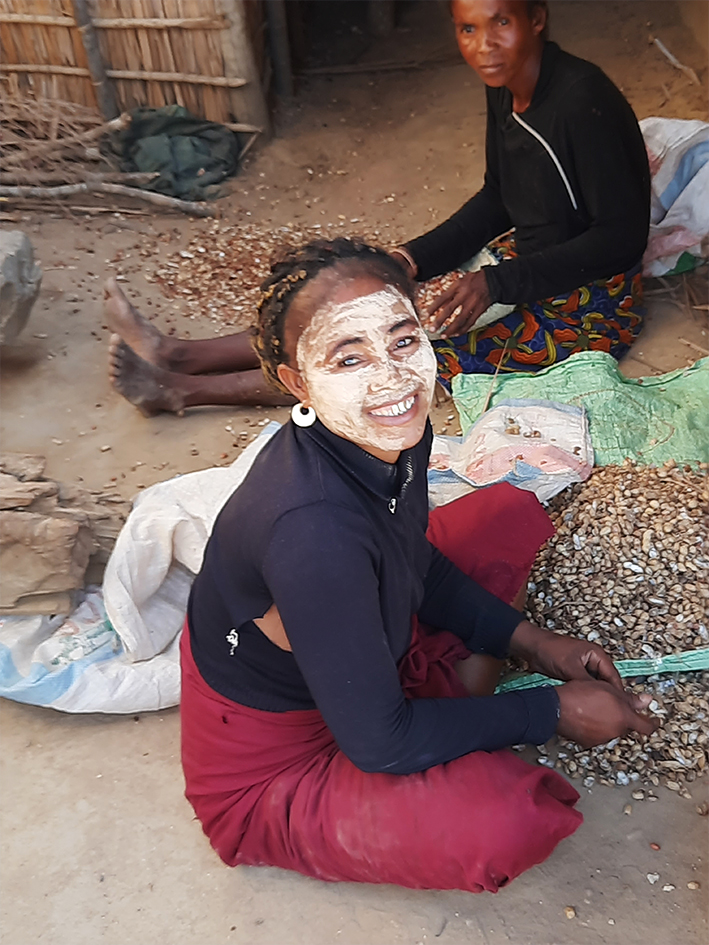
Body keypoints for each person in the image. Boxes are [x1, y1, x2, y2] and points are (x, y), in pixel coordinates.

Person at [180, 237, 658, 892]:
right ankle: (446, 688)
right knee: (504, 819)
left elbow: (414, 558)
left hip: (349, 634)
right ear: (297, 382)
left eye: (402, 340)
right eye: (347, 357)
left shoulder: (390, 427)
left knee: (504, 514)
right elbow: (378, 743)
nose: (390, 378)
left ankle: (449, 683)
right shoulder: (314, 533)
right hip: (276, 767)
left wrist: (536, 643)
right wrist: (551, 711)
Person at [390, 0, 651, 389]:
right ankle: (285, 347)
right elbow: (499, 195)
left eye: (501, 22)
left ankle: (291, 375)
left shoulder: (581, 101)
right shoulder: (504, 82)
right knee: (388, 314)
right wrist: (411, 258)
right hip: (527, 259)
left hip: (589, 306)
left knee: (405, 359)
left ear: (537, 19)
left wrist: (498, 283)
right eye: (468, 29)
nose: (484, 45)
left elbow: (621, 238)